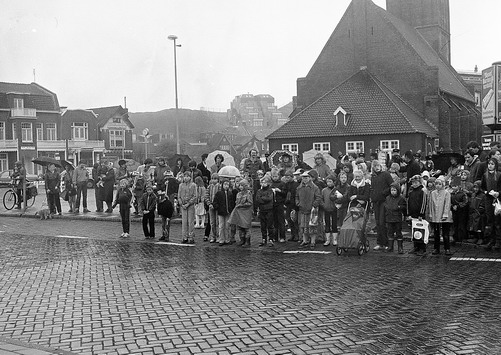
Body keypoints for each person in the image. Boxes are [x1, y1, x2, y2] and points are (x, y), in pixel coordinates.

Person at [370, 160, 393, 251]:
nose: (377, 167)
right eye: (375, 166)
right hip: (376, 202)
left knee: (383, 223)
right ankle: (380, 243)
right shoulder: (373, 177)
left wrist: (384, 193)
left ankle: (386, 243)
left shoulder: (386, 174)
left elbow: (392, 185)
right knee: (378, 223)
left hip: (384, 201)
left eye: (378, 165)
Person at [295, 171, 322, 248]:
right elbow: (296, 196)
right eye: (303, 178)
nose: (305, 179)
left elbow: (318, 197)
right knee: (303, 226)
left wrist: (314, 205)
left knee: (312, 226)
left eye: (306, 177)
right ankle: (305, 240)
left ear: (310, 178)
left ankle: (313, 241)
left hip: (312, 210)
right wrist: (298, 203)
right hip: (302, 209)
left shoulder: (315, 188)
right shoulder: (299, 188)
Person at [428, 176, 453, 255]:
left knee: (445, 233)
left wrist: (445, 214)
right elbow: (431, 204)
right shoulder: (433, 193)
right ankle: (436, 248)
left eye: (439, 184)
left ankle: (447, 248)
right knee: (436, 233)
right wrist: (431, 214)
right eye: (436, 184)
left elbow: (447, 204)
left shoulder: (446, 193)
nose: (438, 186)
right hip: (435, 215)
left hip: (444, 215)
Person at [480, 157, 501, 250]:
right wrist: (485, 192)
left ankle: (498, 241)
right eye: (489, 164)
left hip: (497, 199)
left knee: (497, 221)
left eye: (492, 164)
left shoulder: (499, 175)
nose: (490, 166)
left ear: (495, 165)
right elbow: (482, 187)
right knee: (490, 220)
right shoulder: (485, 175)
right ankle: (491, 240)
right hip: (488, 199)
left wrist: (498, 193)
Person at [407, 174, 428, 255]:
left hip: (420, 215)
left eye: (416, 182)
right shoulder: (411, 192)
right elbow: (408, 203)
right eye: (413, 183)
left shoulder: (422, 191)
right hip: (413, 215)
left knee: (421, 230)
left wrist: (421, 214)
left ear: (420, 182)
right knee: (414, 231)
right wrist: (409, 214)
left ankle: (422, 248)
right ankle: (416, 247)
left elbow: (423, 203)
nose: (414, 184)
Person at [228, 179, 253, 247]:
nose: (240, 187)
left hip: (246, 212)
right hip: (239, 212)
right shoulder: (238, 194)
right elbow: (236, 202)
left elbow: (250, 203)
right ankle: (242, 240)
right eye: (240, 185)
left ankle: (247, 241)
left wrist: (242, 205)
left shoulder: (248, 193)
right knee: (240, 227)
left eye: (242, 185)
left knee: (246, 227)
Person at [384, 182, 407, 254]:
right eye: (392, 190)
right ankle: (390, 246)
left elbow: (404, 207)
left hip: (397, 218)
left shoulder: (401, 198)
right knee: (390, 232)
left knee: (398, 233)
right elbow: (385, 206)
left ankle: (400, 247)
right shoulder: (388, 198)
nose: (393, 192)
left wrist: (399, 208)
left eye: (394, 190)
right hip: (389, 217)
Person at [450, 170, 471, 245]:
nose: (454, 187)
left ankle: (462, 237)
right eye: (453, 186)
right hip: (454, 211)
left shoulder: (462, 194)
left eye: (455, 186)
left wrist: (458, 206)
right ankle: (456, 237)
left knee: (462, 224)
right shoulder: (452, 194)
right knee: (455, 224)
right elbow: (450, 202)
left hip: (462, 211)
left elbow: (465, 202)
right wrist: (452, 206)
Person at [213, 179, 235, 246]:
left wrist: (231, 209)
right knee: (221, 226)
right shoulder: (219, 193)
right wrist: (217, 207)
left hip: (228, 212)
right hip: (221, 212)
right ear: (222, 185)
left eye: (227, 184)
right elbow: (215, 202)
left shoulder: (230, 193)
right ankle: (221, 239)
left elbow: (232, 202)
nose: (226, 186)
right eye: (225, 184)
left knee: (227, 226)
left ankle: (227, 239)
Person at [178, 171, 197, 244]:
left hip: (190, 206)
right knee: (184, 222)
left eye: (188, 176)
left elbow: (195, 196)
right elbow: (179, 195)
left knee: (190, 222)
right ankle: (184, 237)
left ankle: (191, 236)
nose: (186, 178)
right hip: (183, 206)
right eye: (185, 176)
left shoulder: (193, 185)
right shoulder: (181, 185)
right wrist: (181, 203)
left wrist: (188, 203)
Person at [256, 174, 275, 247]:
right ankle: (264, 239)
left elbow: (269, 199)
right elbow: (257, 199)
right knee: (263, 226)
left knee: (270, 225)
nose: (263, 184)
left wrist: (262, 198)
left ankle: (271, 239)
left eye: (264, 182)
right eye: (262, 182)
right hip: (262, 210)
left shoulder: (270, 190)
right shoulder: (259, 191)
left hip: (269, 209)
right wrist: (263, 199)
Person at [321, 175, 339, 246]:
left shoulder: (337, 190)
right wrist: (324, 205)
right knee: (327, 224)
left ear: (334, 182)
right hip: (326, 209)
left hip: (334, 209)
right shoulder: (324, 190)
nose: (329, 183)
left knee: (334, 224)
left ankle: (334, 239)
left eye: (330, 181)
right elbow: (321, 199)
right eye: (327, 182)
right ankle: (328, 239)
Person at [270, 168, 287, 243]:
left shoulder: (282, 184)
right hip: (272, 204)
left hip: (280, 204)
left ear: (279, 176)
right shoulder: (270, 184)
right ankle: (275, 236)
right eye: (273, 176)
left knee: (281, 221)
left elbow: (285, 193)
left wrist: (279, 191)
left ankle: (282, 236)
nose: (275, 178)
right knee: (274, 221)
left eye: (276, 176)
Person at [284, 170, 300, 242]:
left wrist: (295, 205)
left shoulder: (296, 184)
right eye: (286, 177)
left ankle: (297, 235)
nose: (287, 179)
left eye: (288, 177)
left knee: (295, 220)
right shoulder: (286, 184)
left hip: (294, 205)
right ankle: (292, 234)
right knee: (289, 219)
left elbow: (296, 195)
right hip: (288, 204)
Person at [205, 173, 220, 243]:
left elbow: (220, 197)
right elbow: (206, 196)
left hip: (217, 207)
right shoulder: (209, 187)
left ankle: (218, 236)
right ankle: (213, 236)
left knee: (217, 222)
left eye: (215, 179)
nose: (214, 181)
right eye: (213, 179)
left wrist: (215, 205)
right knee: (212, 222)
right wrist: (209, 204)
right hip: (211, 207)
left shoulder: (219, 187)